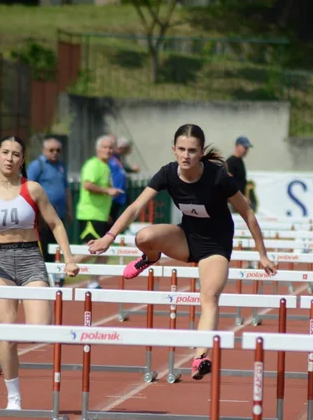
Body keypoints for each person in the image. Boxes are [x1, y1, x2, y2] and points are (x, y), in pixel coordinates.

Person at [87, 123, 276, 380]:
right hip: (186, 238)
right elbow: (135, 207)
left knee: (209, 296)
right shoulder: (167, 174)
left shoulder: (218, 176)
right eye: (182, 149)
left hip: (216, 246)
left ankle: (200, 357)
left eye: (192, 150)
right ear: (174, 150)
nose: (186, 155)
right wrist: (109, 237)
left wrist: (262, 254)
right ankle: (151, 257)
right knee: (144, 236)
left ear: (201, 153)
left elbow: (248, 214)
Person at [0, 136, 80, 411]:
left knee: (40, 328)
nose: (10, 158)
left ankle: (15, 374)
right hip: (0, 262)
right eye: (5, 153)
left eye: (16, 154)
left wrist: (69, 259)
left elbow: (56, 224)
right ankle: (13, 395)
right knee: (7, 333)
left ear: (22, 159)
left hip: (30, 259)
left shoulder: (33, 189)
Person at [75, 136, 121, 289]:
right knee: (90, 249)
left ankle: (94, 282)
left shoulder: (106, 166)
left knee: (105, 248)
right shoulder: (93, 164)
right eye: (105, 147)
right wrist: (108, 190)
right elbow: (87, 184)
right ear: (97, 149)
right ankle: (63, 268)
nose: (108, 150)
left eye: (111, 147)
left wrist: (106, 212)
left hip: (100, 215)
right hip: (90, 214)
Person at [26, 136, 69, 282]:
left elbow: (66, 188)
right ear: (44, 150)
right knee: (43, 247)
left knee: (57, 245)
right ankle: (41, 277)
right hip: (42, 216)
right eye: (51, 150)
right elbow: (28, 187)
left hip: (59, 214)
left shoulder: (61, 166)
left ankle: (55, 275)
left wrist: (69, 210)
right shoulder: (37, 165)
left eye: (58, 150)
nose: (55, 153)